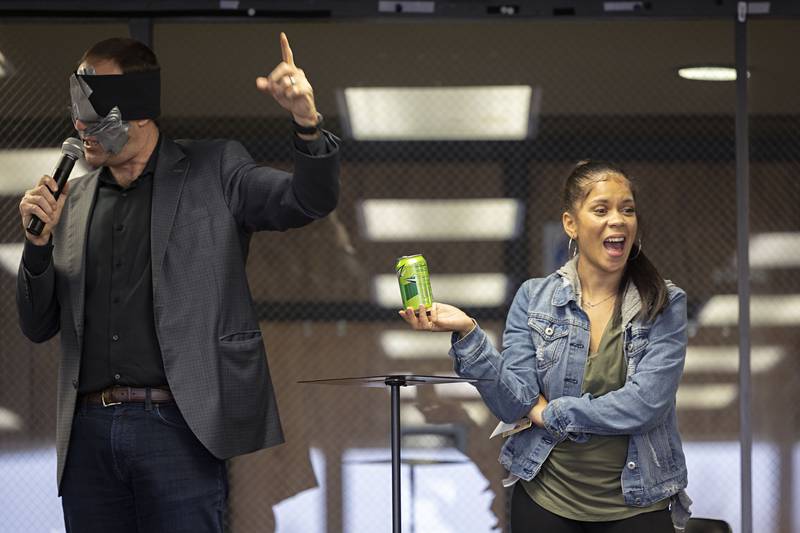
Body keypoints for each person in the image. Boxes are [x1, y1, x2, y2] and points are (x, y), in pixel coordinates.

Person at [16, 34, 339, 533]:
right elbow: (38, 326)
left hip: (178, 426)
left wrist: (306, 121)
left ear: (140, 110)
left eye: (94, 105)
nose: (80, 123)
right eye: (76, 106)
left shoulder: (215, 169)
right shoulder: (72, 202)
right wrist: (37, 247)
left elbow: (307, 201)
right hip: (87, 434)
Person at [400, 160, 692, 532]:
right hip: (546, 500)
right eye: (601, 209)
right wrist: (468, 333)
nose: (618, 220)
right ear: (571, 223)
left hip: (639, 504)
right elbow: (514, 401)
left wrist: (549, 413)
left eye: (627, 209)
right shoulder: (534, 298)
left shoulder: (664, 302)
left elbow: (645, 405)